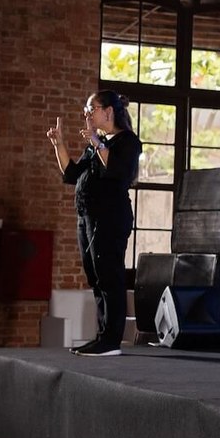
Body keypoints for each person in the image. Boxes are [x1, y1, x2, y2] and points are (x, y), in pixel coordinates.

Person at [47, 90, 142, 356]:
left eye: (92, 109)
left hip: (110, 217)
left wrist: (95, 140)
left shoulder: (128, 142)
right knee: (95, 276)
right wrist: (59, 144)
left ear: (108, 111)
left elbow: (116, 170)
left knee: (109, 276)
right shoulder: (96, 143)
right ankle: (102, 336)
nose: (87, 114)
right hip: (87, 217)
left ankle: (111, 340)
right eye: (86, 109)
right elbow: (72, 173)